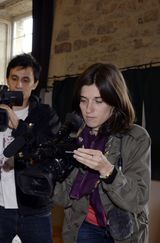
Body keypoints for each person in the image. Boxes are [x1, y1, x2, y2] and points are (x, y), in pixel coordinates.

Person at [0, 53, 60, 243]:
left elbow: (47, 153)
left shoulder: (45, 115)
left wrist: (19, 126)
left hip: (34, 209)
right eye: (14, 78)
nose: (19, 85)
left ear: (35, 84)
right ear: (7, 80)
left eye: (26, 80)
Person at [53, 63, 151, 243]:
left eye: (98, 101)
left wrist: (109, 172)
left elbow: (138, 199)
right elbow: (64, 198)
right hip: (83, 226)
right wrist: (48, 175)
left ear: (115, 102)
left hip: (125, 232)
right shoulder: (75, 137)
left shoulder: (136, 137)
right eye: (83, 100)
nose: (88, 109)